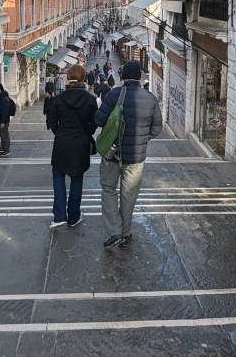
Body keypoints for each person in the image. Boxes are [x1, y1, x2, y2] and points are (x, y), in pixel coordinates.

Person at [95, 59, 162, 249]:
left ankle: (114, 231)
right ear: (140, 77)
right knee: (128, 195)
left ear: (122, 76)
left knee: (108, 189)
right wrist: (143, 138)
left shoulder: (114, 94)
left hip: (111, 154)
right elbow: (157, 127)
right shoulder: (150, 99)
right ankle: (125, 233)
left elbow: (98, 120)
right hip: (136, 158)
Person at [46, 64, 97, 229]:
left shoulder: (58, 99)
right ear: (83, 79)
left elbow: (51, 122)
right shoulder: (90, 100)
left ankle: (60, 215)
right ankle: (74, 216)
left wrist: (61, 133)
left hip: (62, 143)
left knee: (58, 176)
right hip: (80, 145)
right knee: (77, 178)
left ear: (68, 78)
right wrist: (85, 133)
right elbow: (94, 123)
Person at [0, 83, 12, 156]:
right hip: (0, 120)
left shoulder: (4, 99)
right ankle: (2, 148)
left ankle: (6, 150)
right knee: (1, 135)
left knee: (5, 135)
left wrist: (3, 122)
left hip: (3, 120)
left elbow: (5, 111)